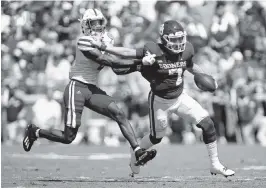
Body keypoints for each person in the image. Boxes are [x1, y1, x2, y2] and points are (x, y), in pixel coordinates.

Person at [88, 20, 235, 177]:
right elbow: (127, 52)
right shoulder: (154, 51)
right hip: (160, 102)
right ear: (164, 39)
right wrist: (106, 47)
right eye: (174, 39)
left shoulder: (186, 51)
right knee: (156, 138)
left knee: (208, 124)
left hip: (180, 97)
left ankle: (215, 164)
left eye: (180, 38)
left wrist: (205, 76)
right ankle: (135, 152)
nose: (178, 43)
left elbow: (190, 66)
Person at [23, 9, 156, 167]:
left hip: (92, 89)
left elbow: (117, 67)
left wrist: (139, 65)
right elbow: (107, 61)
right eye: (94, 23)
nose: (98, 26)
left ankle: (138, 151)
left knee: (119, 113)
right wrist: (140, 62)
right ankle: (35, 132)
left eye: (100, 22)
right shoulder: (84, 41)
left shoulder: (106, 40)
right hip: (77, 87)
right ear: (85, 25)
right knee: (68, 137)